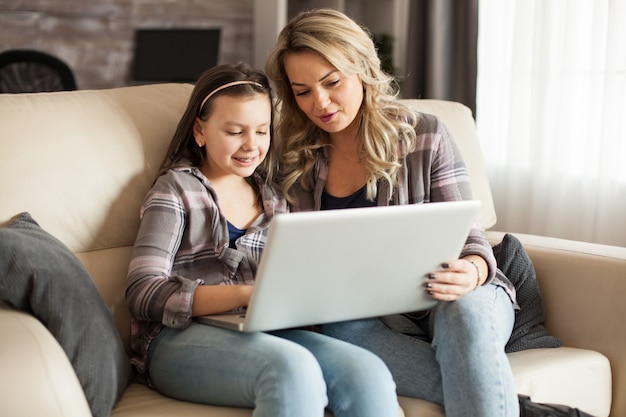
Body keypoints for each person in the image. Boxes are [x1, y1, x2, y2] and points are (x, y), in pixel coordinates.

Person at [265, 9, 519, 417]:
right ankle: (512, 401)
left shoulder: (425, 133)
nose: (321, 103)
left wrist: (472, 269)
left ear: (363, 70)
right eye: (302, 91)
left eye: (332, 82)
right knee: (337, 331)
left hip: (452, 294)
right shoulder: (293, 157)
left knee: (464, 313)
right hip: (362, 313)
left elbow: (469, 235)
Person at [125, 63, 399, 417]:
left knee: (367, 372)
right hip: (177, 339)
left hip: (265, 332)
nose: (251, 146)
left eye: (262, 131)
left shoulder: (278, 199)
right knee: (291, 370)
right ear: (200, 131)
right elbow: (141, 292)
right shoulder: (176, 191)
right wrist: (245, 294)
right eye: (235, 131)